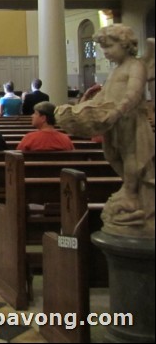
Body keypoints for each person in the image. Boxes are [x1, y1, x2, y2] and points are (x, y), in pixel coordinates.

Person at [57, 25, 154, 232]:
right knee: (111, 153)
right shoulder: (116, 70)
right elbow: (104, 95)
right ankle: (128, 188)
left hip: (128, 119)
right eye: (103, 49)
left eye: (109, 47)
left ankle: (131, 191)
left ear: (125, 44)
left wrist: (118, 111)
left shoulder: (136, 66)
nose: (106, 52)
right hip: (113, 121)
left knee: (132, 157)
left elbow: (134, 93)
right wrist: (82, 108)